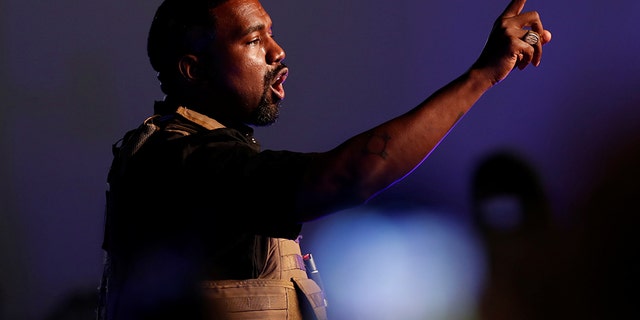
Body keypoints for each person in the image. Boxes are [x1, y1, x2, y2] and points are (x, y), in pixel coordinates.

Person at [97, 0, 551, 319]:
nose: (278, 52)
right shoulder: (176, 159)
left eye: (271, 35)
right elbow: (349, 176)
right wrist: (480, 76)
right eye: (254, 40)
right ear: (193, 69)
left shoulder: (214, 153)